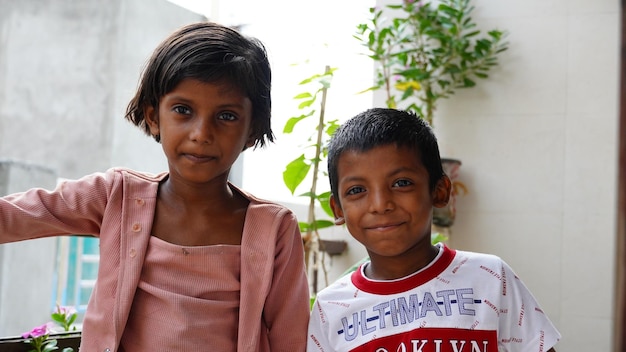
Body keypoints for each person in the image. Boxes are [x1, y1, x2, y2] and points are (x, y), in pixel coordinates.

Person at [0, 22, 310, 352]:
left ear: (252, 130)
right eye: (183, 110)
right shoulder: (114, 196)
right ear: (153, 117)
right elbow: (15, 215)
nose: (201, 133)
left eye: (227, 116)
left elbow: (289, 337)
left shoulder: (274, 228)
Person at [307, 108, 560, 352]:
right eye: (356, 190)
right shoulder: (331, 308)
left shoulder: (491, 278)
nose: (380, 204)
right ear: (338, 209)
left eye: (401, 183)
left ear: (439, 191)